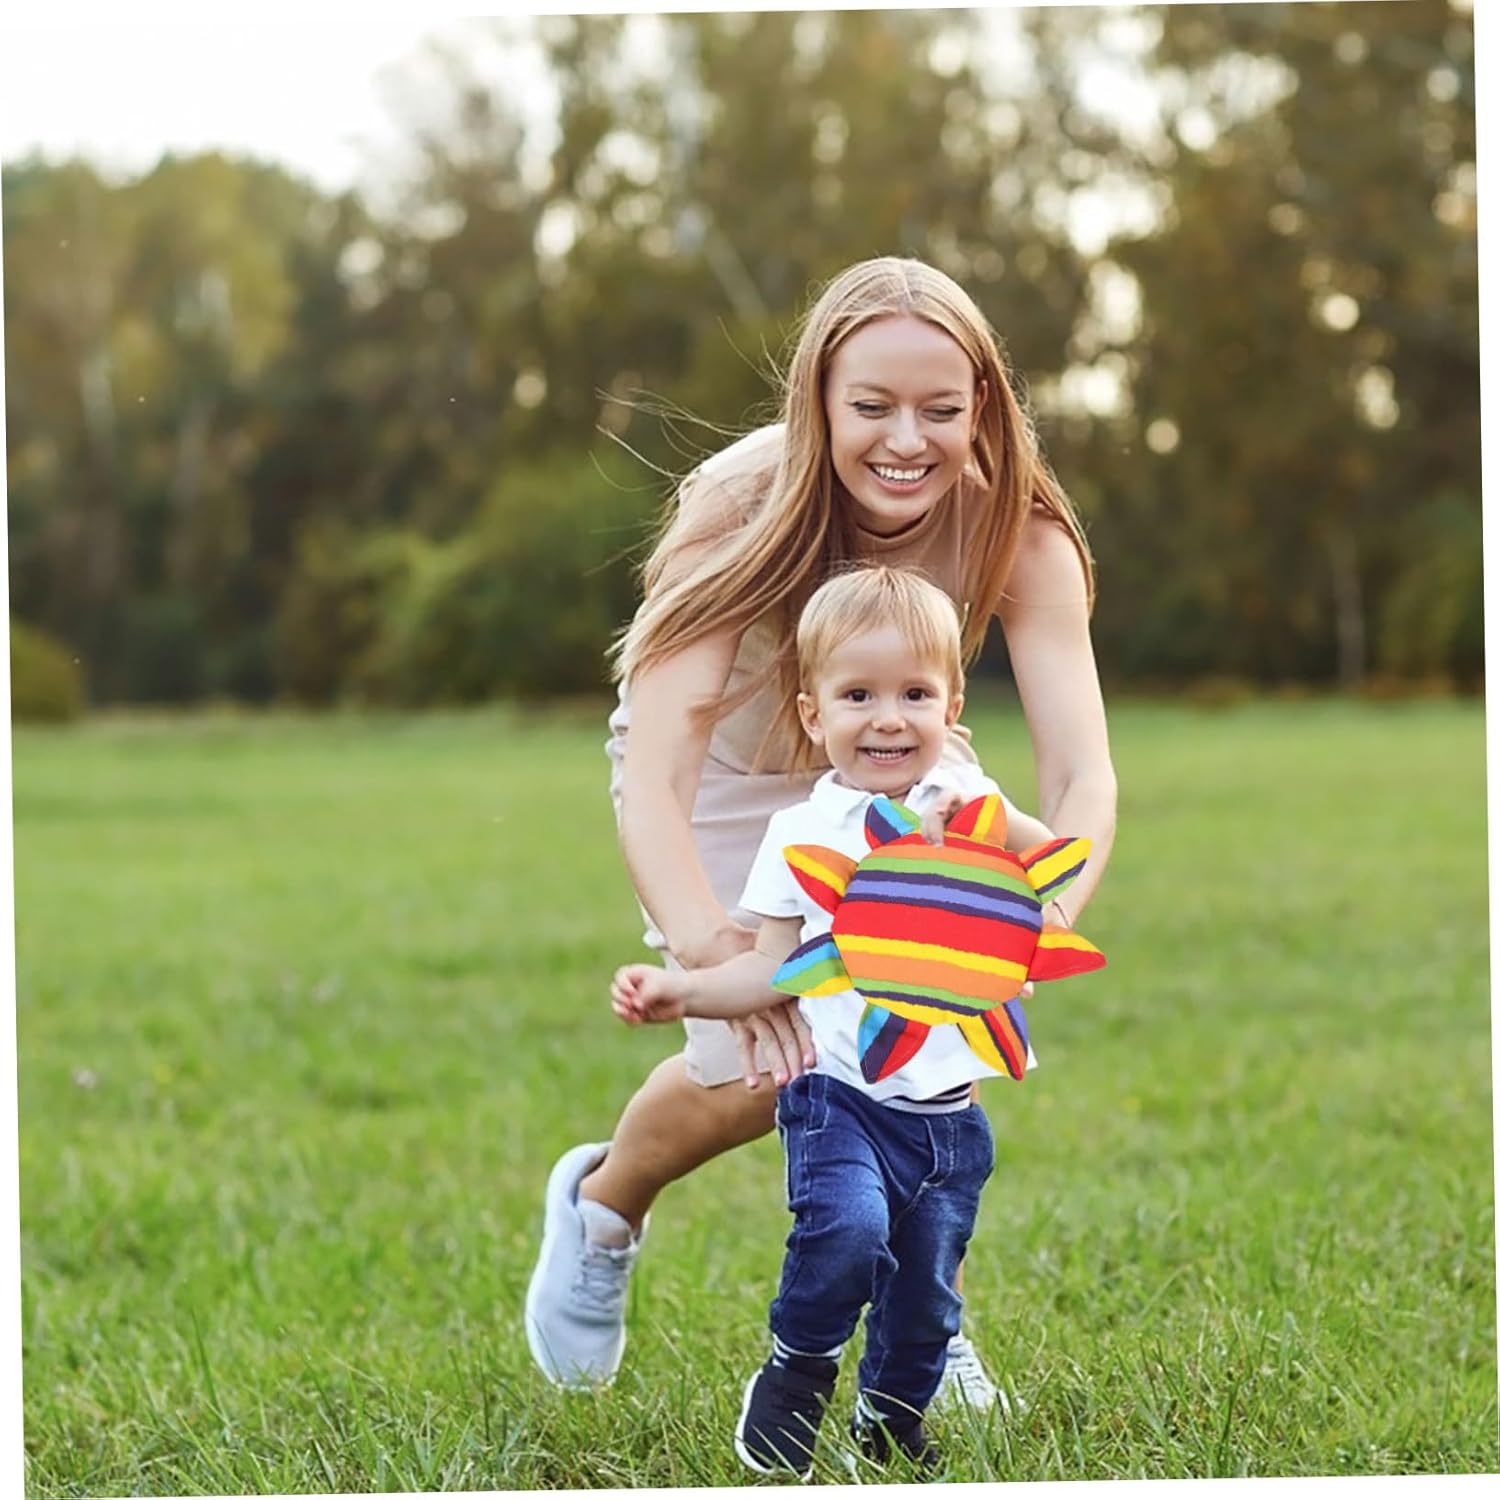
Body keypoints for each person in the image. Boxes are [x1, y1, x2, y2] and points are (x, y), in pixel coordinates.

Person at [524, 255, 1117, 1406]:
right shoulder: (740, 502)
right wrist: (719, 955)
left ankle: (925, 1322)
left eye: (940, 410)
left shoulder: (1021, 525)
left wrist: (1038, 914)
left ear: (982, 407)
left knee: (924, 1016)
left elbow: (1081, 769)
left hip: (903, 755)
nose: (907, 440)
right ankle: (602, 1207)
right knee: (760, 1070)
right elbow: (662, 766)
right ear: (820, 402)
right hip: (726, 768)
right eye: (872, 406)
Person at [609, 566, 1066, 1476]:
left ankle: (890, 1422)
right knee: (848, 1232)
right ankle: (799, 1369)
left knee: (928, 1297)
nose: (888, 719)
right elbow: (769, 969)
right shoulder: (801, 835)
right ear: (813, 714)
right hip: (840, 1098)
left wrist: (1009, 860)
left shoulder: (970, 805)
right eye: (858, 695)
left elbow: (1050, 866)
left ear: (952, 706)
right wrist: (682, 993)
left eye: (914, 694)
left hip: (949, 1118)